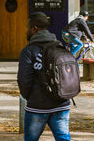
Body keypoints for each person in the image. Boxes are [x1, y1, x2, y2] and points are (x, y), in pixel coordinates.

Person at [17, 12, 71, 141]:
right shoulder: (59, 46)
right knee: (63, 138)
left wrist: (30, 97)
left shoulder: (29, 51)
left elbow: (24, 81)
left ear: (34, 29)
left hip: (37, 106)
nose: (26, 30)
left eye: (27, 27)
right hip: (62, 103)